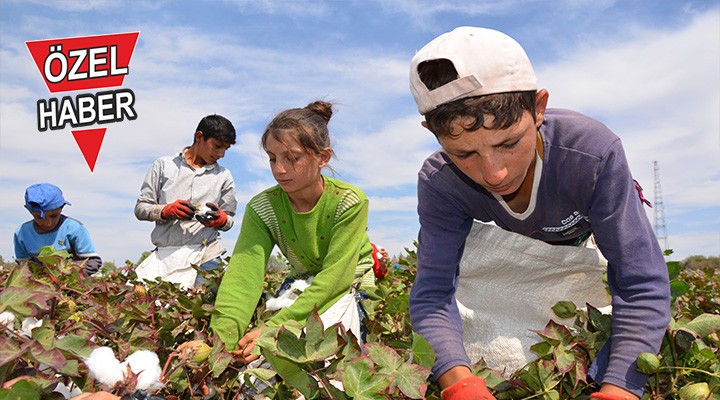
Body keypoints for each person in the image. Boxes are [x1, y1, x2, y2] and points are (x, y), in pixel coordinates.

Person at [407, 27, 670, 400]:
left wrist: (619, 390)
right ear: (432, 133)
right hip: (516, 266)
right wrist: (457, 382)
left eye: (510, 143)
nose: (494, 173)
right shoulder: (440, 181)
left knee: (618, 344)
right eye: (464, 154)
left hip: (584, 255)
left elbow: (639, 281)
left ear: (539, 107)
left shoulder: (592, 155)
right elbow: (433, 294)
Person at [210, 100, 376, 363]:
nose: (279, 169)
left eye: (292, 158)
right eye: (273, 158)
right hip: (305, 281)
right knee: (258, 368)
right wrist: (221, 345)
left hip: (349, 283)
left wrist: (277, 329)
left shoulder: (350, 201)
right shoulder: (262, 208)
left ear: (323, 157)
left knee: (332, 360)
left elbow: (335, 279)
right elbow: (243, 279)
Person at [134, 114, 238, 288]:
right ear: (199, 137)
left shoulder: (223, 176)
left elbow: (228, 219)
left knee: (202, 310)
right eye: (217, 146)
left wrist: (221, 220)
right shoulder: (163, 166)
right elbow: (141, 208)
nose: (221, 154)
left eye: (225, 149)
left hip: (207, 255)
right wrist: (165, 211)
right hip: (167, 256)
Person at [14, 183, 102, 276]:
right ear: (30, 211)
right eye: (39, 217)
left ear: (62, 207)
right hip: (41, 286)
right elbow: (24, 267)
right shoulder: (21, 233)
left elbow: (93, 262)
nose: (48, 223)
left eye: (53, 216)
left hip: (70, 284)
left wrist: (72, 277)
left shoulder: (74, 228)